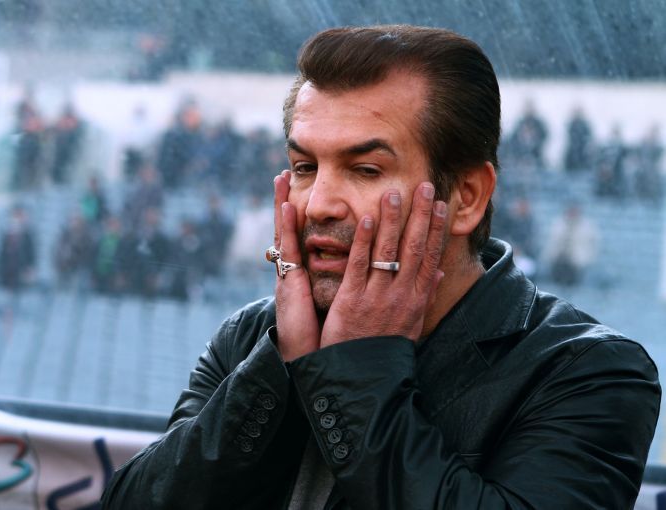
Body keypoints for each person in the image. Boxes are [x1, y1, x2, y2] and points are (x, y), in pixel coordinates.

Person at [102, 25, 660, 509]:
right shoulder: (253, 336)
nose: (318, 204)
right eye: (303, 166)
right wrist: (281, 367)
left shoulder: (589, 372)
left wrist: (355, 370)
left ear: (466, 197)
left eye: (365, 170)